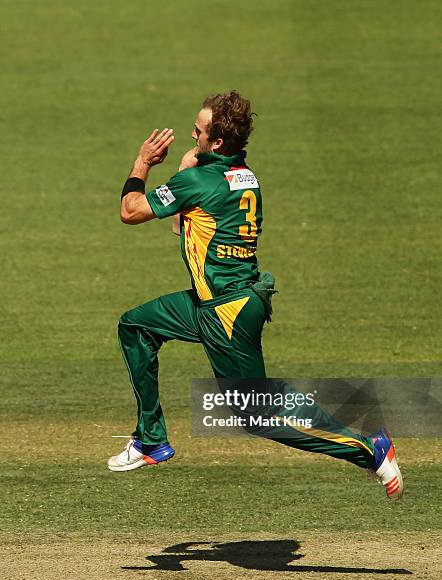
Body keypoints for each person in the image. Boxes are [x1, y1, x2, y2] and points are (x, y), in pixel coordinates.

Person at [108, 91, 403, 501]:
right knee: (135, 326)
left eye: (199, 131)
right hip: (213, 302)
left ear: (217, 143)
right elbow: (183, 228)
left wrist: (144, 162)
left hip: (225, 311)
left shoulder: (199, 181)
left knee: (257, 416)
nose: (192, 133)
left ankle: (369, 450)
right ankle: (150, 439)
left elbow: (130, 210)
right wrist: (183, 171)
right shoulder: (244, 175)